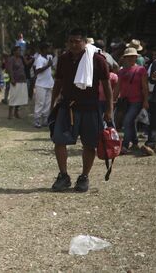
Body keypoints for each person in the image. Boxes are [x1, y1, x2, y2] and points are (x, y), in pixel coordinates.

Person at [49, 29, 112, 193]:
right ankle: (63, 176)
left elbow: (107, 86)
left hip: (91, 108)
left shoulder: (97, 59)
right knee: (59, 141)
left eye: (77, 41)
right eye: (71, 41)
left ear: (85, 42)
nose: (74, 44)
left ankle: (84, 177)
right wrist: (53, 102)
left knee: (90, 144)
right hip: (67, 107)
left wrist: (109, 109)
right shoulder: (63, 59)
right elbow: (58, 82)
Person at [115, 47, 149, 154]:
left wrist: (146, 101)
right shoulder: (121, 71)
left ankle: (125, 145)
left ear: (136, 57)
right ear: (125, 58)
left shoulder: (141, 70)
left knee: (127, 121)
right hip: (125, 101)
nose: (130, 58)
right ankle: (134, 142)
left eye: (132, 56)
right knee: (131, 122)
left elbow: (145, 87)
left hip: (137, 100)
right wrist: (112, 99)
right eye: (128, 57)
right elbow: (117, 87)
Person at [33, 43, 54, 128]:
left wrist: (50, 65)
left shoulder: (49, 57)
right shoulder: (39, 59)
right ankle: (37, 120)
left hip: (49, 83)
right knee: (40, 102)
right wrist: (47, 65)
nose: (49, 50)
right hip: (41, 84)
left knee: (47, 103)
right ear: (42, 50)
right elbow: (37, 71)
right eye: (47, 49)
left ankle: (45, 119)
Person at [6, 46, 30, 119]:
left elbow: (27, 64)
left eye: (20, 51)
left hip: (22, 80)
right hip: (15, 81)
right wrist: (12, 79)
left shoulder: (21, 58)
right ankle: (10, 114)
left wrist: (23, 57)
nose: (20, 52)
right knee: (13, 97)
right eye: (18, 51)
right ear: (14, 52)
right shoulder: (11, 59)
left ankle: (16, 112)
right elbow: (9, 70)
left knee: (19, 98)